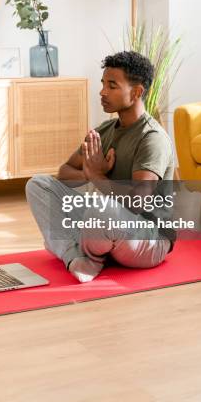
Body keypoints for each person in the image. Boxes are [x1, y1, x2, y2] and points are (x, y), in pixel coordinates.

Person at [26, 51, 176, 283]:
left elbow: (140, 201)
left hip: (147, 239)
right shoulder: (105, 131)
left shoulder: (152, 138)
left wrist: (97, 178)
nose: (102, 92)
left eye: (112, 86)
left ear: (136, 92)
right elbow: (65, 173)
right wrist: (89, 173)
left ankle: (88, 256)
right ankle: (74, 257)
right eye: (103, 84)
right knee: (38, 184)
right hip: (108, 228)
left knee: (102, 207)